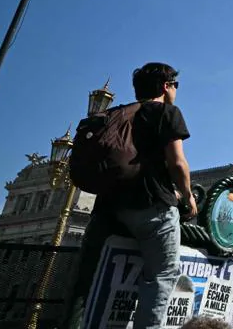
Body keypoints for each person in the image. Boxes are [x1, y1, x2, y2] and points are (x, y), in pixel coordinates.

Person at [63, 63, 198, 328]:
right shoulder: (166, 113)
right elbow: (177, 163)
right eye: (175, 85)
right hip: (151, 205)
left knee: (90, 277)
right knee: (161, 276)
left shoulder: (115, 115)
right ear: (165, 86)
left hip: (108, 208)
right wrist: (187, 195)